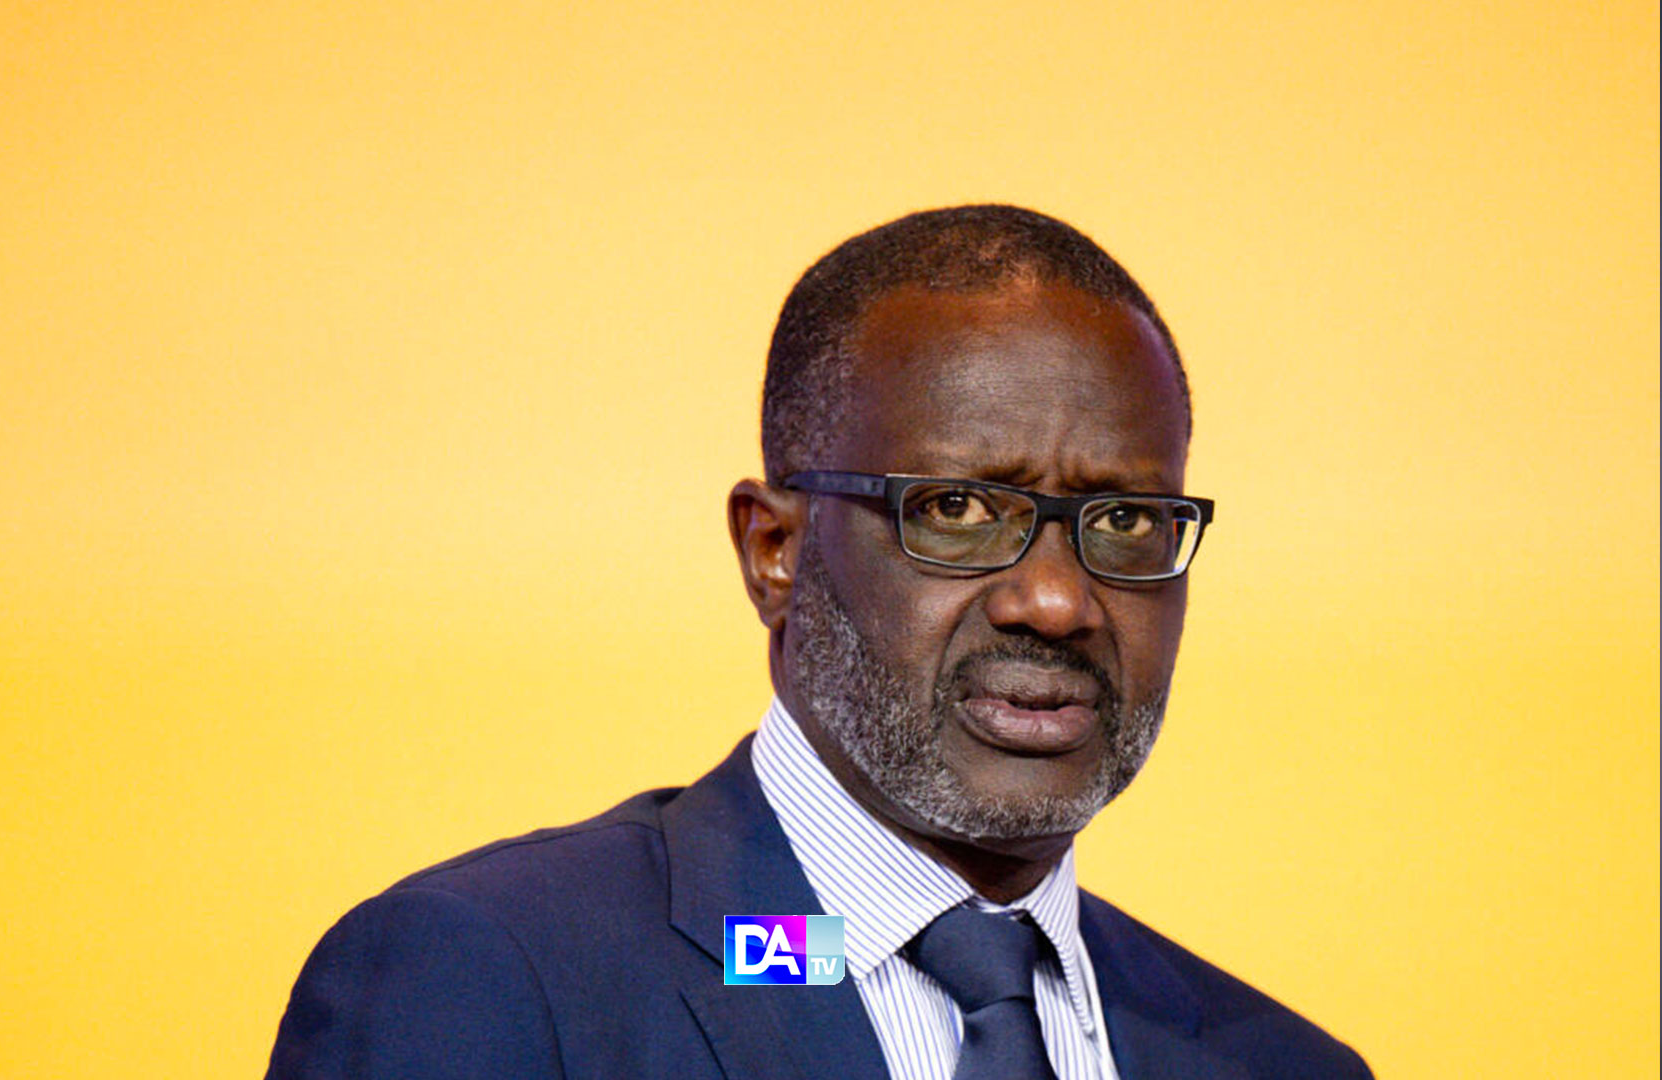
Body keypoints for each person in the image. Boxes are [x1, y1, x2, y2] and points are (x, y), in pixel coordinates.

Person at [266, 205, 1373, 1079]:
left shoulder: (1278, 1065)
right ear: (776, 551)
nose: (1053, 600)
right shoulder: (491, 980)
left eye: (1124, 521)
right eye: (956, 509)